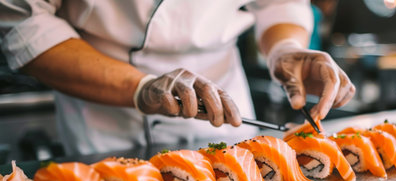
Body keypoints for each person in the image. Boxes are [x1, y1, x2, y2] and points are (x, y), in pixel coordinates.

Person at [0, 0, 355, 155]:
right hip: (102, 103)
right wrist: (140, 87)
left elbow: (279, 4)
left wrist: (284, 47)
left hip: (223, 98)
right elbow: (26, 23)